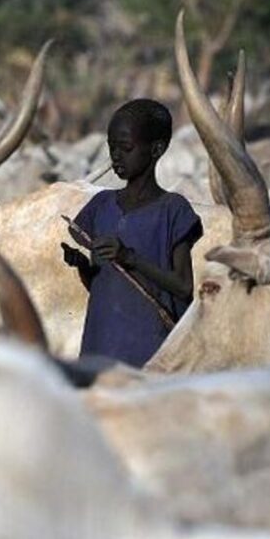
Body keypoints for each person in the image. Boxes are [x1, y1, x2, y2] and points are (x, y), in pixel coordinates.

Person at [61, 98, 203, 367]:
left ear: (156, 149)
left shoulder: (173, 209)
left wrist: (129, 257)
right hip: (101, 344)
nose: (116, 156)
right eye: (111, 147)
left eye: (125, 147)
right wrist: (83, 265)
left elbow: (183, 287)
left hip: (151, 352)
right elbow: (101, 285)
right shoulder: (100, 205)